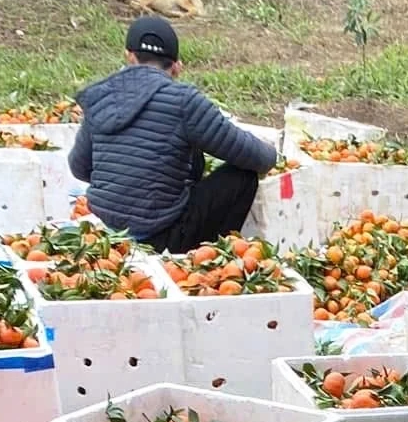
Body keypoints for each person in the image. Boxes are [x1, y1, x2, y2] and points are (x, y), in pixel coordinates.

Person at [68, 15, 277, 253]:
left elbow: (79, 167)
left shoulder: (101, 96)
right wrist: (272, 152)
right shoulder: (184, 101)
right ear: (176, 66)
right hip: (160, 237)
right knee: (242, 177)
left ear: (129, 56)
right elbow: (254, 157)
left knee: (190, 153)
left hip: (105, 235)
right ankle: (210, 258)